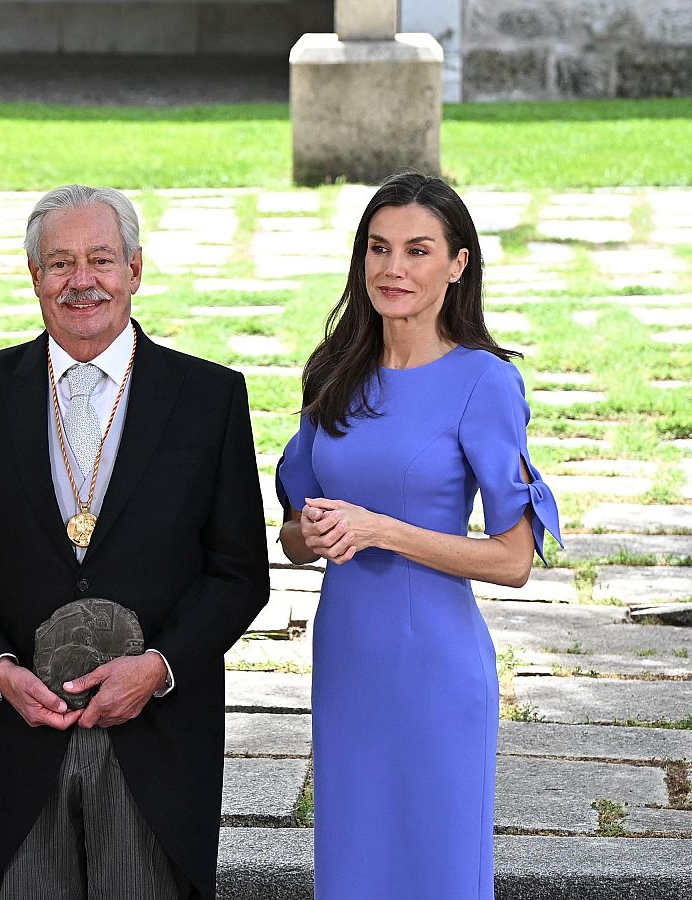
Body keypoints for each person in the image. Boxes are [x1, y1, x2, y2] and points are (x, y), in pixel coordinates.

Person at [0, 184, 270, 900]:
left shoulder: (209, 398)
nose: (82, 281)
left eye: (101, 260)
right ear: (34, 276)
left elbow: (238, 574)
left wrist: (158, 668)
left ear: (135, 270)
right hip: (18, 736)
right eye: (60, 262)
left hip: (156, 741)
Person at [274, 172, 563, 900]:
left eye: (417, 250)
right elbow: (291, 539)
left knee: (438, 873)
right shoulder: (335, 370)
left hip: (435, 668)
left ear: (458, 263)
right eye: (377, 248)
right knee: (352, 870)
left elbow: (512, 560)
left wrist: (383, 531)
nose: (392, 268)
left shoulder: (483, 382)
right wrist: (313, 532)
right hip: (347, 658)